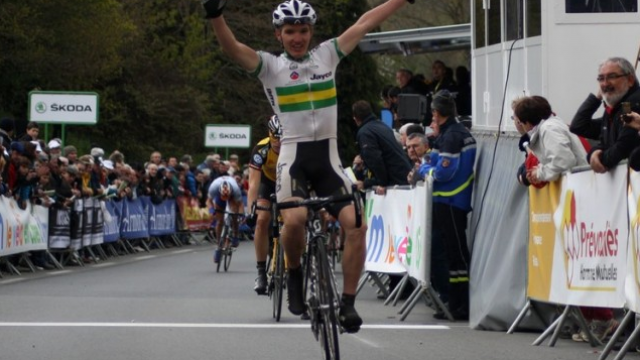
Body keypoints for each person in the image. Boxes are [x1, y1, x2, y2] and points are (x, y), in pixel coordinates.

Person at [204, 0, 413, 333]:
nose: (297, 37)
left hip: (328, 158)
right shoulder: (270, 67)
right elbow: (232, 47)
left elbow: (364, 23)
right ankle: (295, 274)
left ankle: (346, 303)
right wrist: (216, 15)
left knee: (355, 225)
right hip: (294, 160)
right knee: (296, 218)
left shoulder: (327, 55)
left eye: (303, 30)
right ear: (279, 34)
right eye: (290, 32)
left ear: (311, 32)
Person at [417, 90, 476, 321]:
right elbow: (435, 159)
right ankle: (455, 301)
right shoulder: (453, 132)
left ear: (437, 113)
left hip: (451, 200)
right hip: (450, 201)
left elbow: (444, 170)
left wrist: (424, 170)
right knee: (452, 255)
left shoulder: (453, 135)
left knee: (455, 256)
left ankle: (461, 305)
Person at [570, 57, 640, 173]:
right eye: (601, 79)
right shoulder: (615, 108)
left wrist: (600, 158)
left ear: (630, 80)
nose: (605, 83)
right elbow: (578, 126)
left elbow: (623, 148)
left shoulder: (630, 106)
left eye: (612, 77)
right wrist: (593, 154)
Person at [246, 115, 282, 295]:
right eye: (274, 137)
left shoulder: (294, 146)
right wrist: (250, 209)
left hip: (288, 183)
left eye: (281, 137)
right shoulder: (261, 149)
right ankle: (261, 272)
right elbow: (253, 183)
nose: (278, 142)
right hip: (267, 184)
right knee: (262, 220)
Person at [352, 100, 412, 194]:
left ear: (356, 119)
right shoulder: (382, 126)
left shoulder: (365, 133)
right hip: (404, 177)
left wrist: (381, 183)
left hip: (395, 183)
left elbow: (375, 159)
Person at [207, 175, 244, 263]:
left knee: (235, 215)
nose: (225, 199)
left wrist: (241, 215)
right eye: (225, 197)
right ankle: (218, 244)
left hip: (233, 198)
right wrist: (212, 210)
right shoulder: (214, 188)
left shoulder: (235, 190)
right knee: (219, 221)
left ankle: (235, 235)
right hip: (219, 197)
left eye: (227, 196)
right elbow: (208, 201)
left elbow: (240, 204)